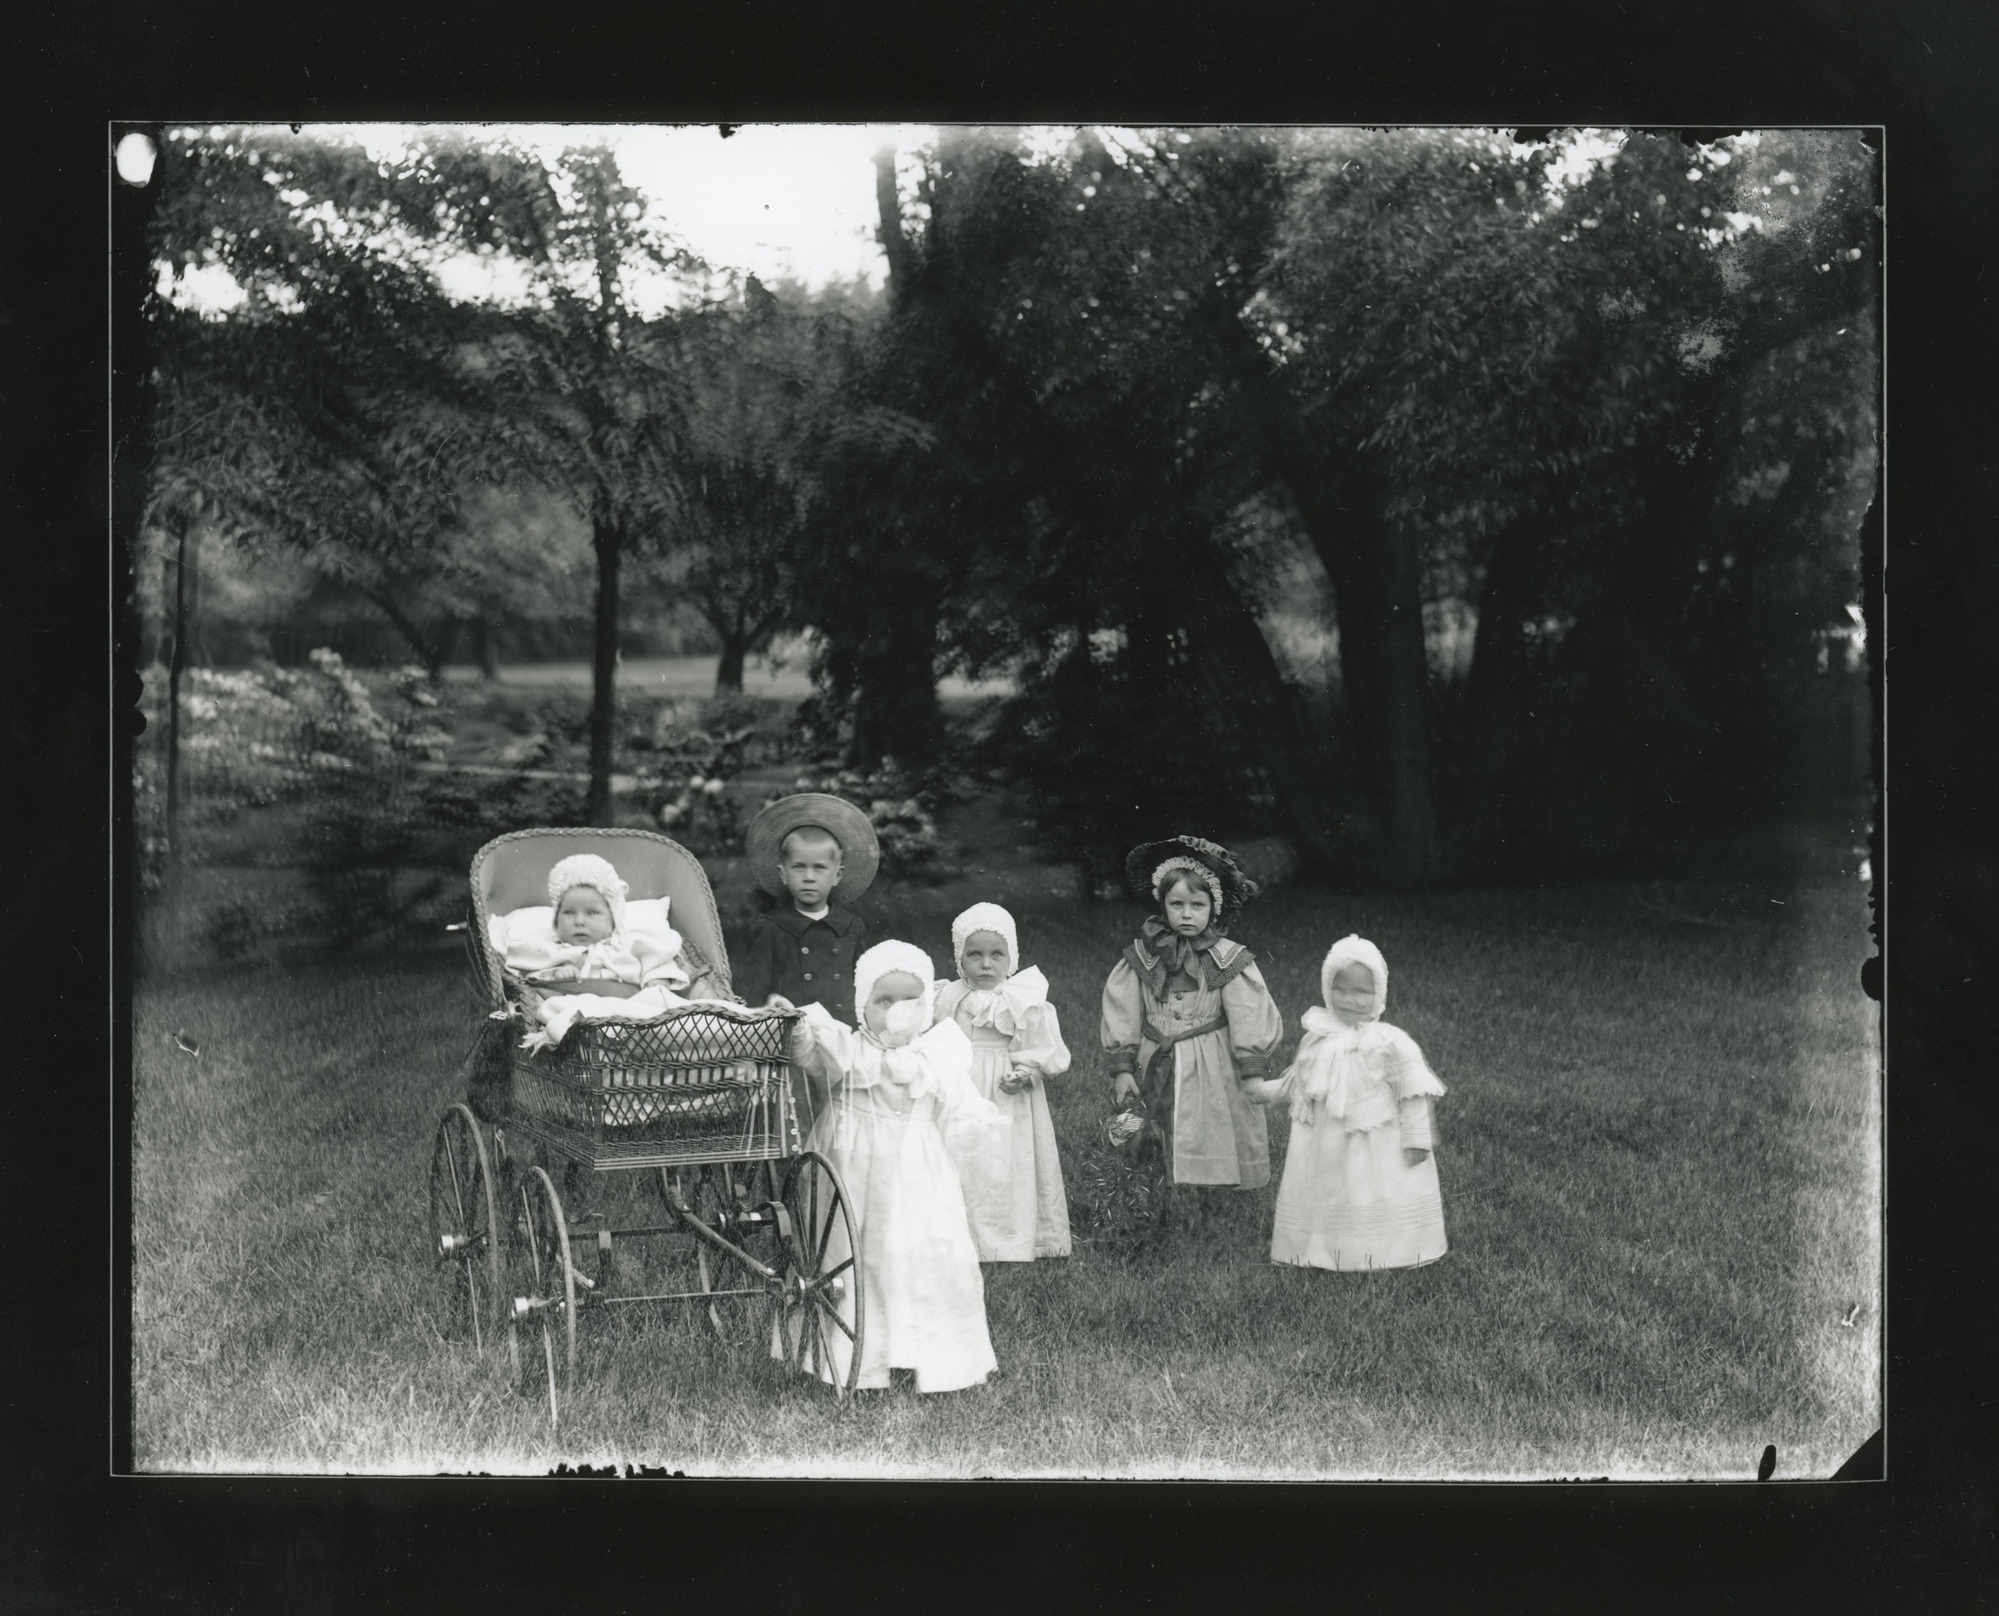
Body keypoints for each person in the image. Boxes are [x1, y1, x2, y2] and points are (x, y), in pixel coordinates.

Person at [786, 941, 1008, 1393]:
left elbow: (962, 1107)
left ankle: (929, 1351)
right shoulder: (851, 1049)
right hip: (855, 1165)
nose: (894, 1012)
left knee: (922, 1256)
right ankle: (856, 1356)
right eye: (882, 1001)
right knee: (851, 1252)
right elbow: (811, 1057)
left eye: (909, 1002)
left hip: (917, 1172)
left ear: (926, 1006)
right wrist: (798, 1031)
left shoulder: (937, 1052)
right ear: (861, 1004)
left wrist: (975, 1130)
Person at [1099, 836, 1283, 1230]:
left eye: (1197, 905)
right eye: (1176, 904)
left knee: (1211, 1135)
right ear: (1161, 904)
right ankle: (1142, 1214)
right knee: (1141, 1133)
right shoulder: (1143, 956)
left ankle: (1211, 1218)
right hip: (1155, 1057)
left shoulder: (1228, 959)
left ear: (1213, 908)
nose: (1186, 915)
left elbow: (1249, 1014)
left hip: (1209, 1063)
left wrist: (1252, 1070)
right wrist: (1122, 1067)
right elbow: (1122, 1011)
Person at [1259, 934, 1449, 1271]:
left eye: (1363, 991)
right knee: (1329, 1192)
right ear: (1326, 988)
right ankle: (1320, 1247)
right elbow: (1302, 1079)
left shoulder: (1392, 1043)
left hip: (1377, 1142)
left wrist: (1417, 1138)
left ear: (1380, 994)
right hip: (1325, 1141)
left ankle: (1386, 1250)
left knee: (1375, 1190)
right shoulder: (1318, 1038)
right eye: (1341, 989)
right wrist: (1272, 1092)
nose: (1350, 999)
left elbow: (1413, 1093)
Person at [932, 902, 1073, 1262]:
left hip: (1007, 1095)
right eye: (974, 955)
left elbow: (1041, 1049)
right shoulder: (950, 998)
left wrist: (1026, 1074)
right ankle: (962, 1236)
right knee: (964, 1162)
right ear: (959, 959)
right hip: (962, 1091)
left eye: (997, 955)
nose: (986, 964)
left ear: (1012, 958)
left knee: (1007, 1163)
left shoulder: (1022, 1000)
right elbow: (937, 1041)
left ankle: (1015, 1235)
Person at [502, 853, 705, 1050]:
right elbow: (530, 981)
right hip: (584, 1021)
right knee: (570, 1008)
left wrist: (656, 981)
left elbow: (658, 962)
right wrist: (556, 976)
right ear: (555, 920)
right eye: (569, 912)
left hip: (634, 1014)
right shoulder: (552, 952)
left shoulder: (630, 945)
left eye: (592, 913)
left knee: (659, 1001)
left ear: (612, 919)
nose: (579, 921)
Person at [734, 793, 878, 1027]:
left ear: (837, 875)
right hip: (792, 1038)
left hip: (845, 1032)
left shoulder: (852, 927)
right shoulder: (770, 929)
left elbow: (866, 986)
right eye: (799, 867)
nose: (809, 877)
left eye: (819, 868)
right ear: (783, 874)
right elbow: (752, 996)